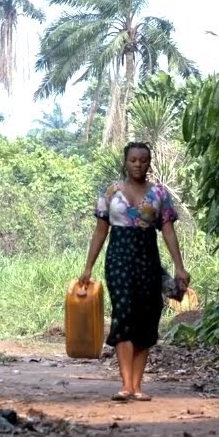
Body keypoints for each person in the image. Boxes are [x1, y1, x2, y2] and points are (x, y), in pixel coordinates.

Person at [79, 141, 190, 402]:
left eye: (143, 160)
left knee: (147, 316)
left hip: (147, 258)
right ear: (125, 162)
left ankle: (138, 386)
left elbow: (168, 231)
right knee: (124, 314)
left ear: (149, 163)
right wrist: (88, 266)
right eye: (133, 160)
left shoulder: (159, 194)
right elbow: (100, 231)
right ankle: (126, 385)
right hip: (118, 258)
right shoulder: (110, 191)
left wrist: (179, 266)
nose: (138, 164)